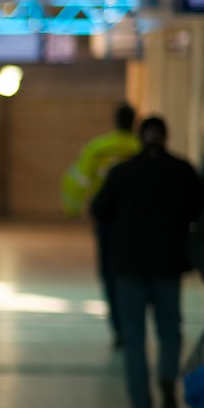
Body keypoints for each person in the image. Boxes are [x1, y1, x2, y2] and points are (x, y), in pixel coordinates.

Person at [90, 116, 204, 408]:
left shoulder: (122, 172)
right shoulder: (183, 171)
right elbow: (199, 211)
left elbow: (99, 209)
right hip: (167, 266)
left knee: (134, 338)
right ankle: (167, 376)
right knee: (170, 330)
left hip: (129, 267)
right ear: (166, 137)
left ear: (140, 138)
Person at [63, 103, 140, 349]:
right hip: (137, 224)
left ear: (115, 120)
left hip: (107, 221)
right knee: (135, 276)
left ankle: (119, 328)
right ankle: (133, 325)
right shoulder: (140, 149)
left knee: (110, 275)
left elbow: (79, 179)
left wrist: (73, 208)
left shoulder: (98, 148)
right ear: (134, 121)